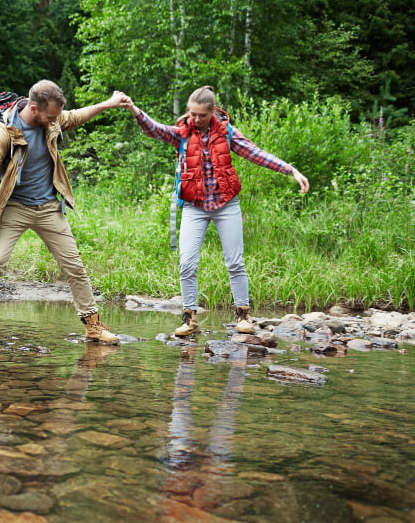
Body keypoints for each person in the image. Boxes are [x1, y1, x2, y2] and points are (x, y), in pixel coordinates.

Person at [123, 86, 309, 336]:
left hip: (226, 205)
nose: (195, 119)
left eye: (201, 115)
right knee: (187, 264)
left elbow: (256, 154)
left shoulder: (227, 133)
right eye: (192, 114)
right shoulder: (182, 134)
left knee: (235, 262)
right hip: (194, 206)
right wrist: (135, 110)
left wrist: (291, 170)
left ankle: (244, 316)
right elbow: (155, 130)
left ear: (212, 112)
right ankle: (189, 320)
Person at [0, 80, 130, 346]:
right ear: (34, 107)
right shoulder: (6, 130)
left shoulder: (50, 118)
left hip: (49, 207)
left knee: (74, 267)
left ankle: (93, 325)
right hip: (14, 206)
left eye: (56, 117)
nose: (55, 121)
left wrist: (108, 103)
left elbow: (73, 117)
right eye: (50, 116)